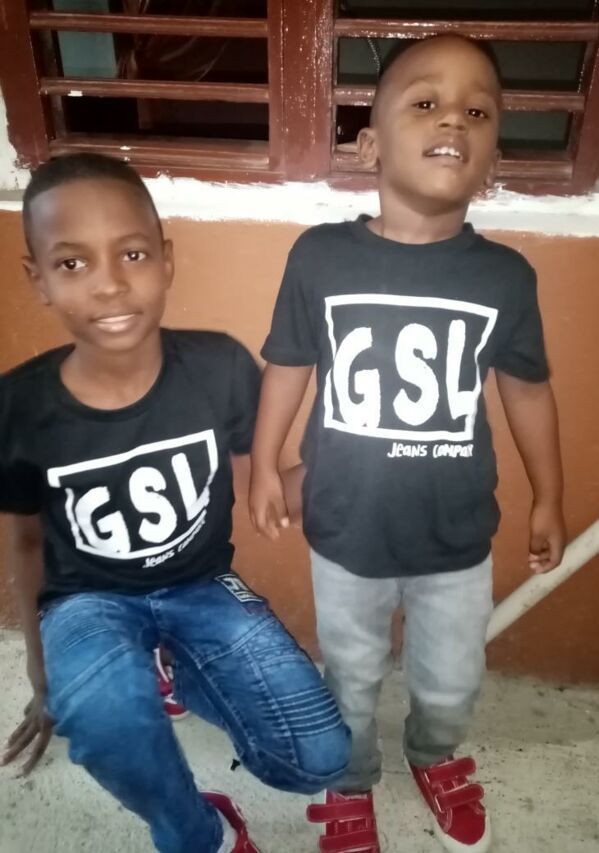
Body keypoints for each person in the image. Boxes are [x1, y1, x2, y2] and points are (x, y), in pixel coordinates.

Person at [250, 35, 565, 853]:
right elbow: (288, 363)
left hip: (456, 535)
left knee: (452, 677)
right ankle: (350, 776)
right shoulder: (320, 255)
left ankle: (433, 751)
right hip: (344, 528)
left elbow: (527, 388)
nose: (453, 119)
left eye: (478, 111)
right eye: (425, 103)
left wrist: (549, 496)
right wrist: (265, 464)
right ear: (369, 146)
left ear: (492, 157)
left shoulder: (505, 278)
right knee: (349, 673)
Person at [0, 153, 351, 853]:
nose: (109, 283)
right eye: (73, 263)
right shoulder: (18, 406)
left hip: (199, 583)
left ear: (165, 259)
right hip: (85, 599)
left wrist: (353, 456)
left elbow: (266, 488)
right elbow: (27, 541)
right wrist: (43, 671)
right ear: (38, 278)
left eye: (131, 254)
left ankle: (177, 665)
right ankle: (197, 832)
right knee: (101, 714)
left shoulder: (219, 367)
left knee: (320, 758)